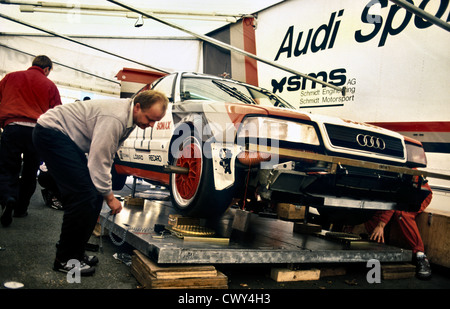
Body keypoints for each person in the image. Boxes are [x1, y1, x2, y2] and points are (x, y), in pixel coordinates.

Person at [32, 90, 168, 276]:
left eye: (155, 121)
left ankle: (76, 253)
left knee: (93, 194)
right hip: (51, 132)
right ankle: (65, 259)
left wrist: (103, 191)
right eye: (149, 119)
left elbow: (109, 153)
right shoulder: (115, 117)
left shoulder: (131, 118)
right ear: (137, 107)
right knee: (82, 196)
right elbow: (99, 160)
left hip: (65, 138)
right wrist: (110, 196)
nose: (151, 125)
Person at [0, 55, 62, 227]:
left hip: (12, 127)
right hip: (37, 130)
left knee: (7, 168)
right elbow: (57, 113)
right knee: (29, 171)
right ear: (47, 69)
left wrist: (3, 123)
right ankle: (21, 209)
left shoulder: (10, 77)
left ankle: (8, 198)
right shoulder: (50, 85)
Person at [365, 182, 433, 280]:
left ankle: (421, 255)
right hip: (399, 192)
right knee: (372, 211)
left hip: (420, 192)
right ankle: (378, 244)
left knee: (402, 213)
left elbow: (396, 200)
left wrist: (381, 224)